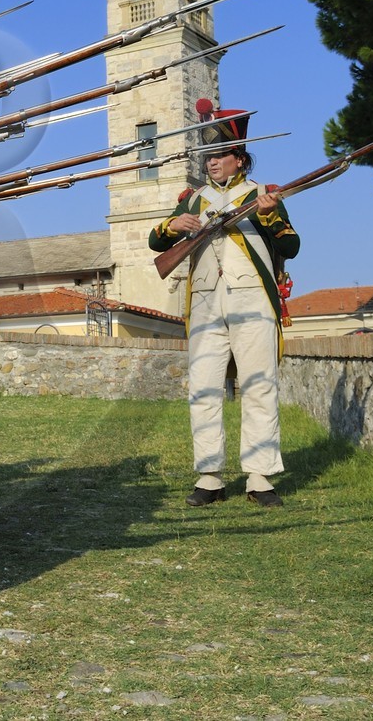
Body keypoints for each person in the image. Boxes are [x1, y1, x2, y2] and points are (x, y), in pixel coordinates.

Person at [148, 100, 300, 509]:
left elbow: (291, 245)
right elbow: (156, 243)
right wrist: (172, 225)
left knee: (259, 385)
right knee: (204, 389)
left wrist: (267, 217)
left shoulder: (262, 195)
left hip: (253, 300)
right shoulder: (192, 199)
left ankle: (259, 476)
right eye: (207, 157)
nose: (211, 163)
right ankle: (209, 476)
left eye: (219, 156)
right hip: (204, 303)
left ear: (239, 159)